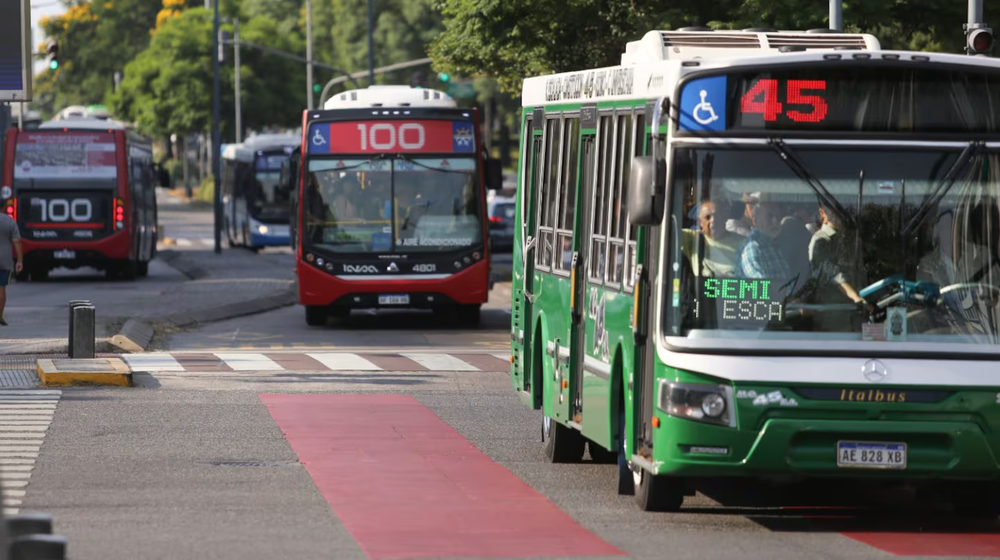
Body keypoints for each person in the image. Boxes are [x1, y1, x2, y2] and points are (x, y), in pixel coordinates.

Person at [808, 205, 865, 305]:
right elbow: (833, 274)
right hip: (832, 307)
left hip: (858, 305)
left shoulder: (852, 240)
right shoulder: (820, 240)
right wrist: (856, 297)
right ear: (822, 213)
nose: (841, 215)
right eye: (834, 211)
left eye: (843, 209)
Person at [681, 201, 742, 277]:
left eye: (717, 216)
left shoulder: (744, 242)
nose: (713, 220)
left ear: (725, 218)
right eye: (707, 217)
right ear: (700, 222)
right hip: (704, 287)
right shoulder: (693, 239)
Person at [736, 200, 792, 281]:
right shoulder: (752, 248)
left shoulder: (773, 244)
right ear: (755, 221)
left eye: (777, 216)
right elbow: (762, 288)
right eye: (769, 216)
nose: (775, 221)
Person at [0, 213, 23, 326]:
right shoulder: (9, 221)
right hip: (4, 260)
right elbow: (17, 241)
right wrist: (19, 260)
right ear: (4, 207)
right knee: (1, 287)